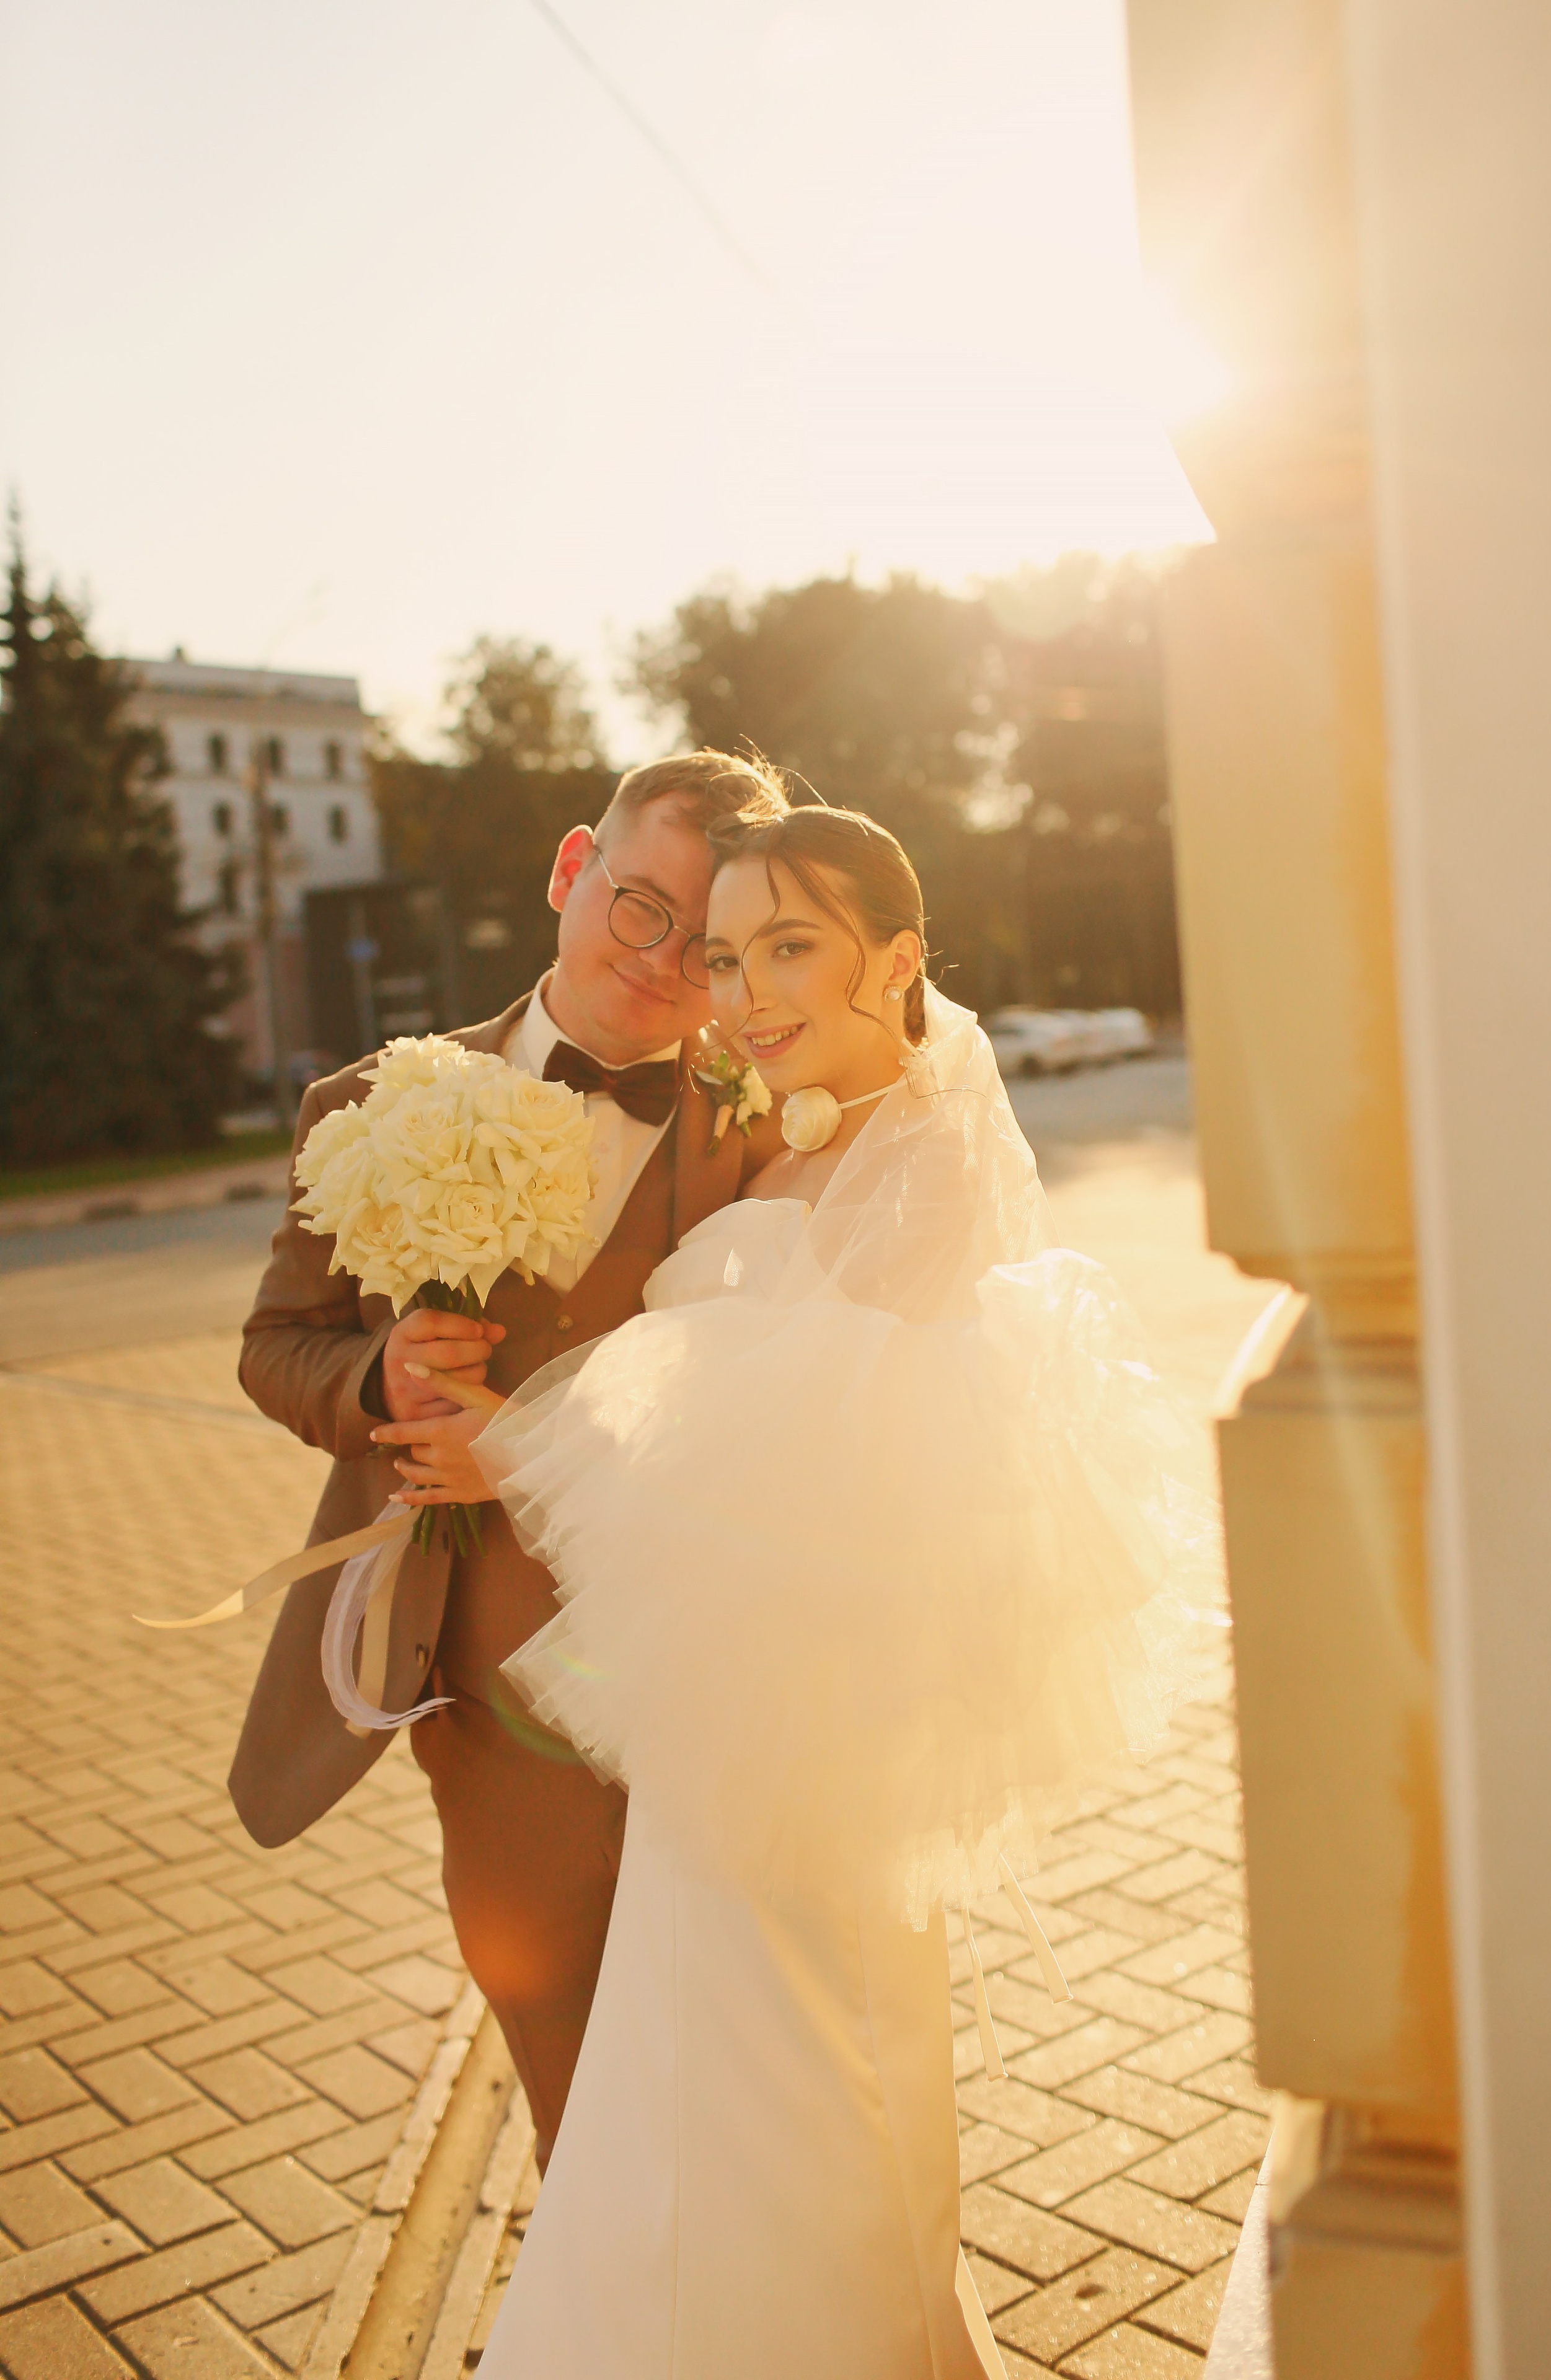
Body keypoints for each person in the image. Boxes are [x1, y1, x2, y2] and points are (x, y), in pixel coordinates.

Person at [384, 801, 1222, 2377]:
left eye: (790, 948)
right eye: (724, 952)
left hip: (786, 1760)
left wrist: (527, 1459)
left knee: (764, 2101)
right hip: (754, 1755)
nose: (745, 990)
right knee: (764, 2101)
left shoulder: (916, 1176)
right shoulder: (825, 1133)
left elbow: (801, 1504)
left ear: (894, 960)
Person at [230, 749, 787, 2171]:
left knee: (736, 2051)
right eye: (639, 906)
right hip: (485, 1675)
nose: (662, 964)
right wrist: (374, 1378)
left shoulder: (759, 1124)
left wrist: (537, 1447)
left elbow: (779, 1391)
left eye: (707, 941)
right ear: (567, 873)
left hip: (708, 1658)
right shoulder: (364, 1103)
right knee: (564, 2055)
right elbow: (276, 1345)